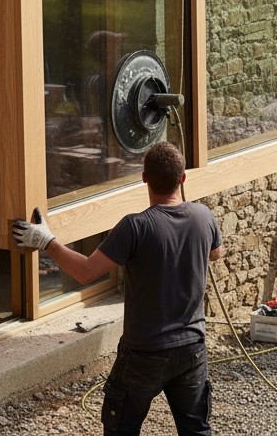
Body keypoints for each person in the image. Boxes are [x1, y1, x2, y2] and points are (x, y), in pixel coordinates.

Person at [13, 141, 223, 436]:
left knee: (121, 430)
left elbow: (86, 272)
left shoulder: (136, 227)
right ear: (183, 178)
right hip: (192, 349)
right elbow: (216, 253)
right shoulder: (204, 217)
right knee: (196, 431)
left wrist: (47, 241)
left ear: (144, 178)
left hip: (144, 354)